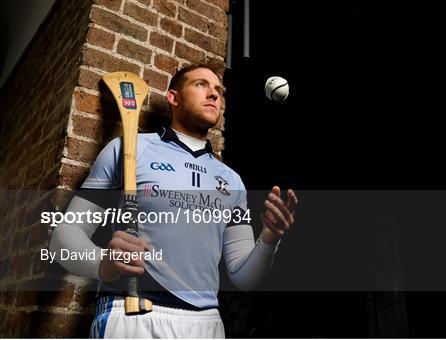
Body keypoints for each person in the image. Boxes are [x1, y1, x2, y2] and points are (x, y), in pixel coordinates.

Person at [49, 64, 298, 338]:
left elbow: (243, 276)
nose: (214, 95)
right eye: (201, 85)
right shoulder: (129, 149)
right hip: (132, 312)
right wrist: (101, 263)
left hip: (206, 324)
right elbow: (64, 236)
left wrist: (269, 238)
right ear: (173, 97)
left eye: (218, 90)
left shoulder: (232, 181)